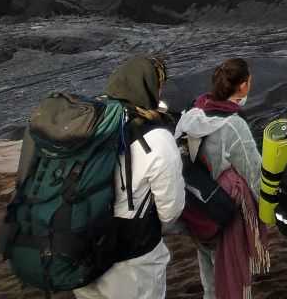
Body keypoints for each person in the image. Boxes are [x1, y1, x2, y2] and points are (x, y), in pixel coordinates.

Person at [74, 56, 184, 299]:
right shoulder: (157, 139)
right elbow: (171, 210)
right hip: (132, 260)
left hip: (80, 249)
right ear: (150, 87)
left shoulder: (84, 122)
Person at [175, 58, 265, 299]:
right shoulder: (233, 126)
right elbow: (254, 172)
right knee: (232, 276)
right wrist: (266, 213)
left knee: (210, 278)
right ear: (244, 86)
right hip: (223, 214)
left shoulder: (191, 113)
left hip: (195, 209)